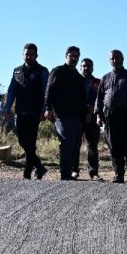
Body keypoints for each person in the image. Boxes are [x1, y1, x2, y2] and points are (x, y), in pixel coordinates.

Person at [95, 49, 127, 183]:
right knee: (114, 146)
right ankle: (118, 175)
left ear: (122, 59)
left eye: (117, 58)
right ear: (110, 60)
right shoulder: (105, 78)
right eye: (112, 58)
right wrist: (99, 115)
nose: (115, 60)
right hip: (110, 115)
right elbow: (99, 98)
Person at [3, 43, 49, 180]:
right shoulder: (17, 71)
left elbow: (46, 92)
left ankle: (28, 172)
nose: (29, 56)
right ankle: (39, 167)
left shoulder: (42, 71)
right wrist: (7, 109)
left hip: (35, 112)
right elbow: (11, 91)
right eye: (26, 54)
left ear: (36, 56)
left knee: (31, 142)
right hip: (20, 112)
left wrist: (44, 110)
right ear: (22, 55)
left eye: (31, 54)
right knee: (23, 141)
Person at [44, 46, 87, 180]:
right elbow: (49, 90)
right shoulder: (57, 71)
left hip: (76, 116)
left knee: (74, 143)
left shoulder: (79, 77)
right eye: (71, 56)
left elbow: (82, 98)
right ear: (66, 56)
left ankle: (70, 171)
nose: (73, 58)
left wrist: (85, 113)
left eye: (76, 56)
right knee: (66, 142)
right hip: (60, 115)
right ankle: (65, 174)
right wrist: (47, 108)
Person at [79, 57, 102, 180]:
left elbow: (102, 99)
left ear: (92, 68)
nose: (86, 68)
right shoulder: (75, 81)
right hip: (77, 117)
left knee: (92, 145)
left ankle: (94, 172)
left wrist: (93, 110)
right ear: (80, 67)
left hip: (93, 118)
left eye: (89, 66)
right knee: (75, 144)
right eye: (84, 66)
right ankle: (73, 170)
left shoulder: (98, 82)